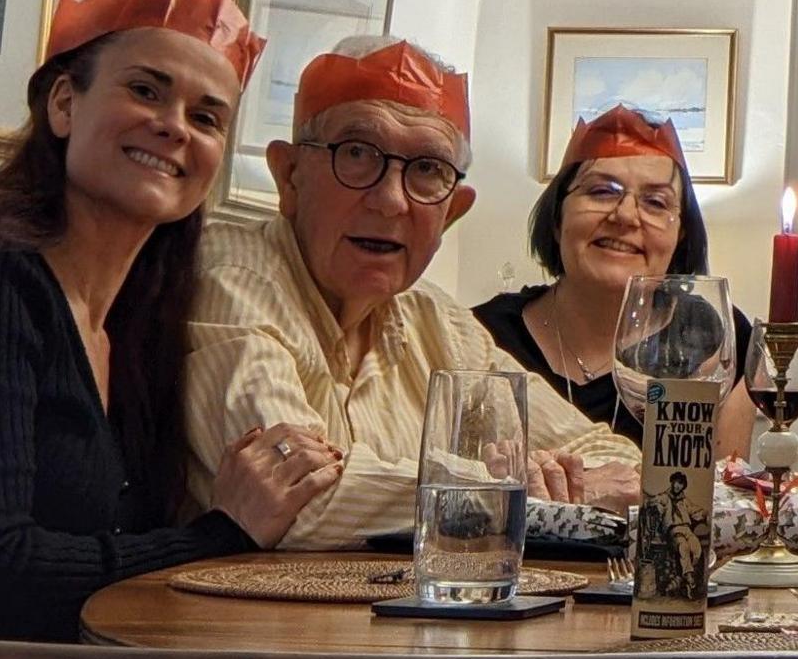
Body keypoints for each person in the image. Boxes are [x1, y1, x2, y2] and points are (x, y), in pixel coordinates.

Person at [0, 0, 332, 641]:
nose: (173, 126)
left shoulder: (142, 318)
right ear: (65, 103)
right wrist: (221, 537)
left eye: (207, 116)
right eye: (146, 90)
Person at [184, 36, 641, 550]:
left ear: (451, 212)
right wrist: (518, 490)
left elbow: (610, 457)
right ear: (289, 177)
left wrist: (569, 485)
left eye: (427, 170)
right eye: (356, 154)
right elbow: (292, 500)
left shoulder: (438, 321)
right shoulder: (234, 272)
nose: (389, 200)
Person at [473, 105, 753, 458]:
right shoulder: (481, 336)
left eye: (655, 202)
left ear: (681, 234)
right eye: (601, 192)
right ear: (558, 218)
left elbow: (719, 495)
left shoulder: (720, 339)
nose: (624, 215)